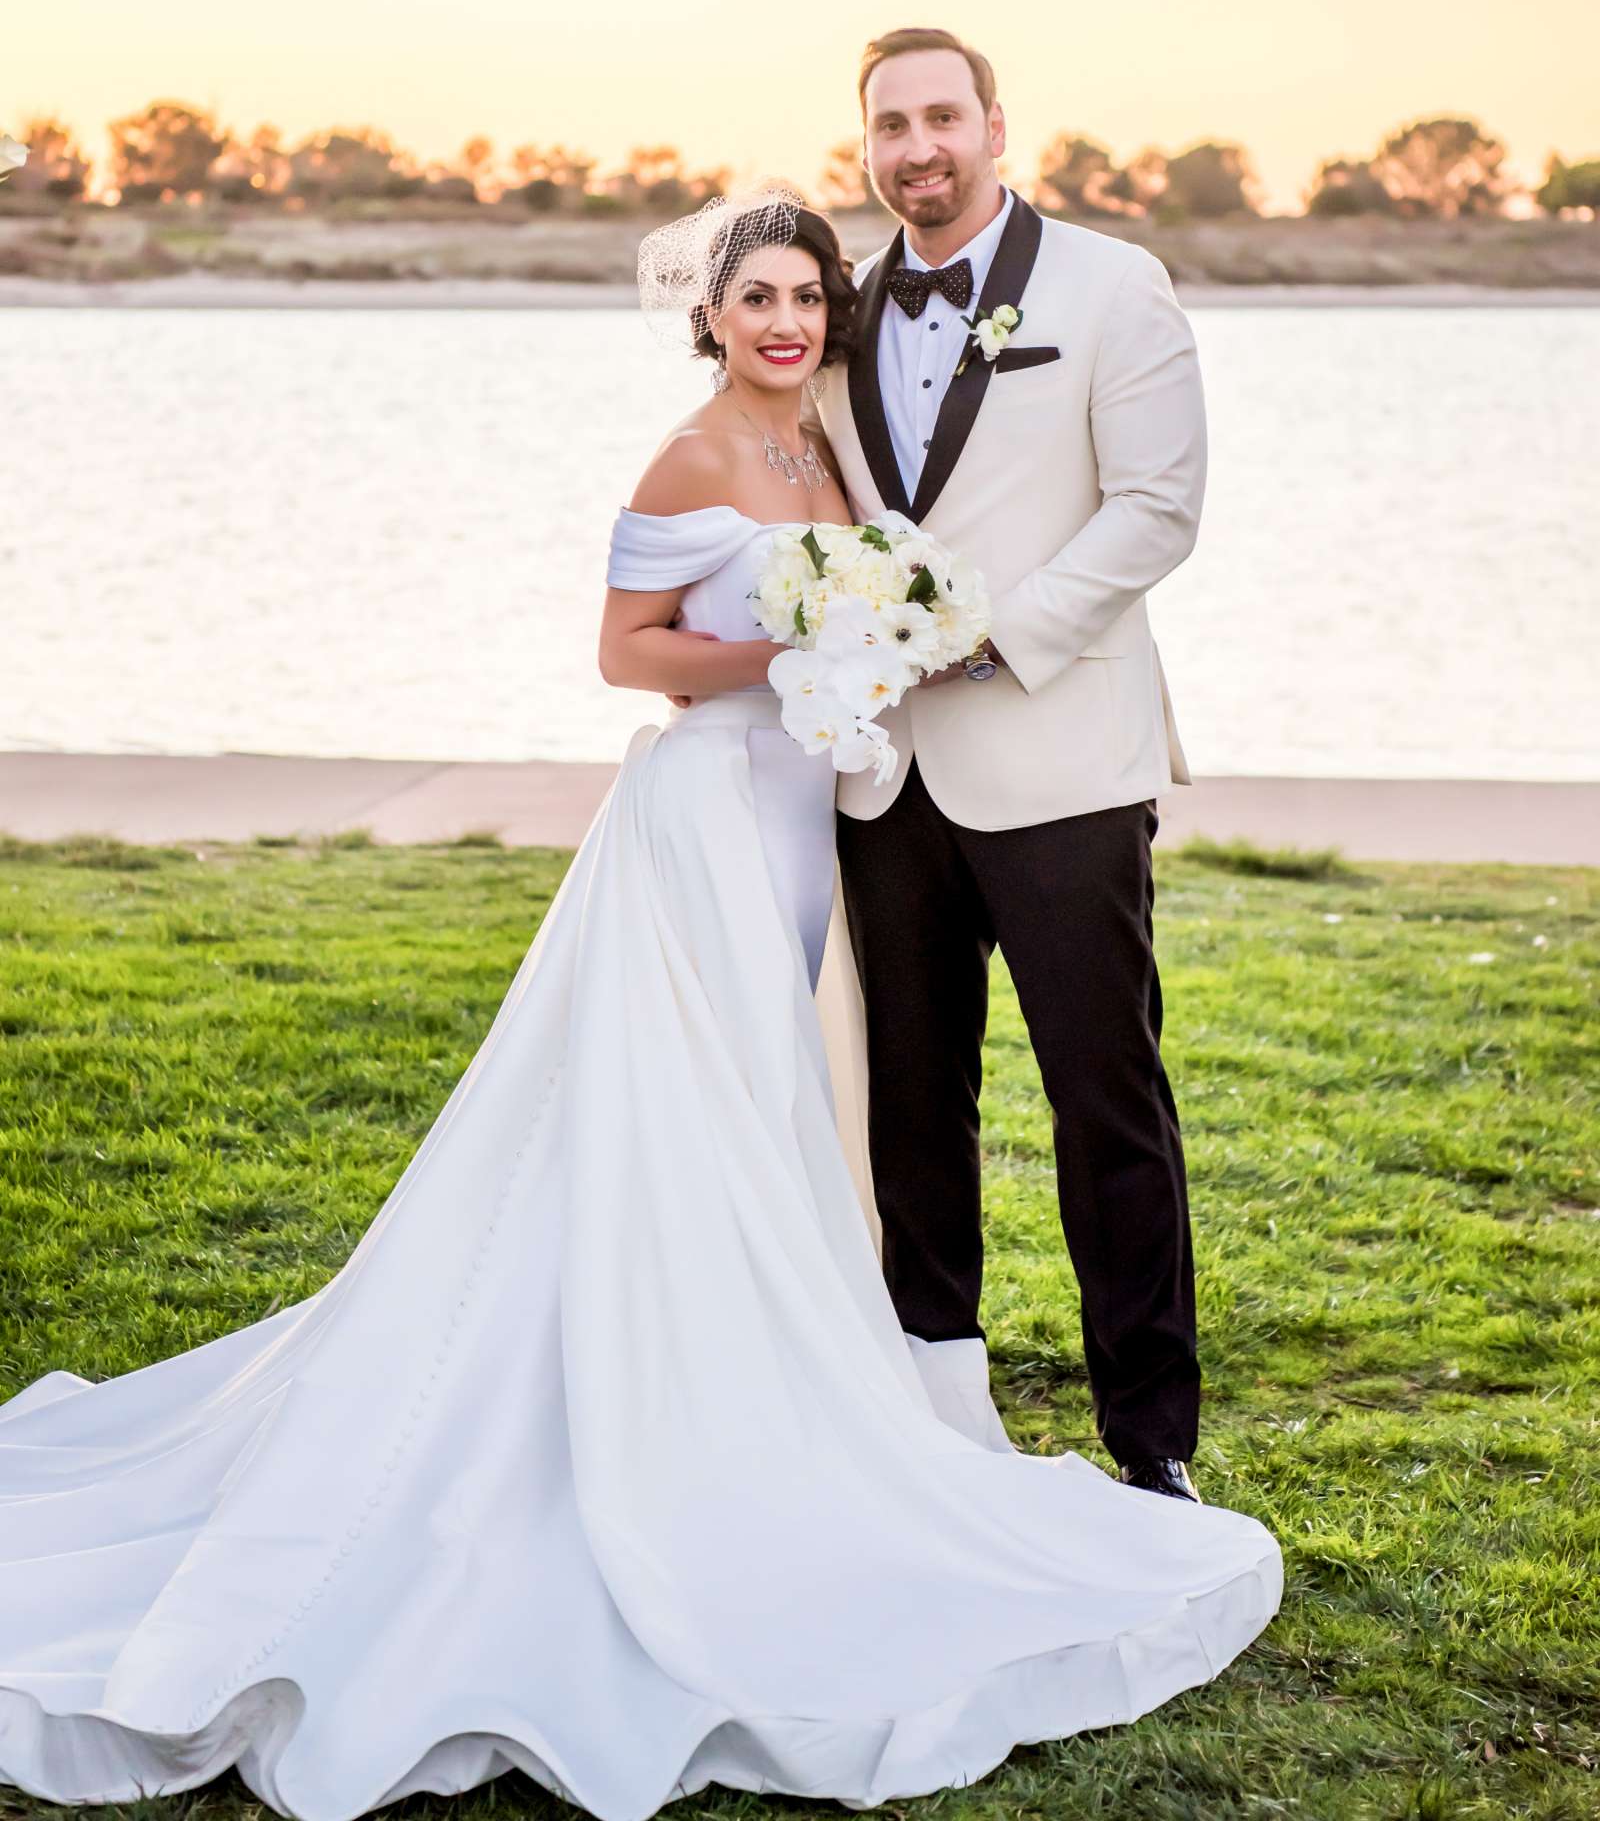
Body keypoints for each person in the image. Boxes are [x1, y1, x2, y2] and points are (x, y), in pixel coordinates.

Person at [0, 192, 1277, 1821]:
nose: (789, 320)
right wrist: (810, 639)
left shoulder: (828, 437)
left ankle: (905, 1396)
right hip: (707, 826)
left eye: (808, 295)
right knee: (696, 1108)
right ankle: (669, 1401)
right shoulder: (689, 458)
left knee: (796, 1107)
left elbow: (1076, 515)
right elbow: (627, 653)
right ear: (711, 312)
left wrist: (862, 634)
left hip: (826, 818)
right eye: (758, 297)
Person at [816, 26, 1210, 1499]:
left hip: (1061, 757)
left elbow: (1160, 508)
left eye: (940, 117)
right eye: (888, 126)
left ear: (994, 124)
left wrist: (989, 638)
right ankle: (939, 1419)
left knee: (1104, 1096)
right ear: (865, 147)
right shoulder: (838, 313)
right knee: (913, 1108)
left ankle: (1151, 1441)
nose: (916, 147)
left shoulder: (1114, 286)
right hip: (885, 776)